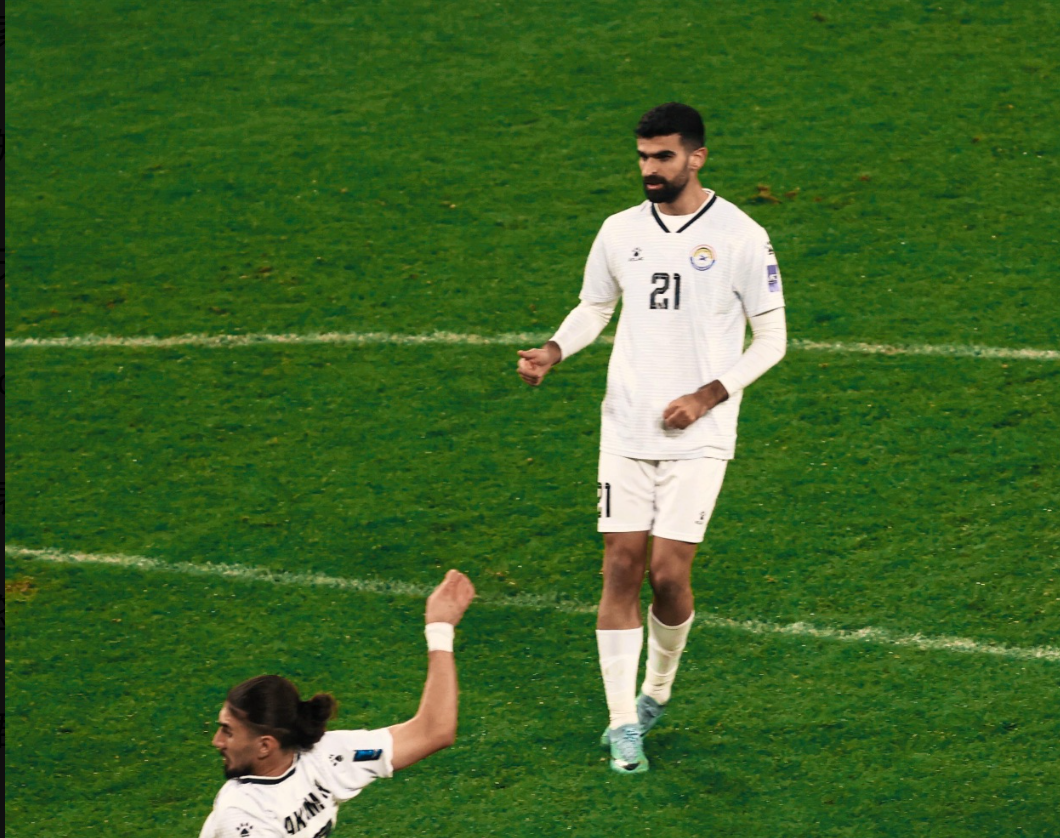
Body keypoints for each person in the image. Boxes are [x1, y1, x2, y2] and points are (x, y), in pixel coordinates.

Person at [517, 102, 788, 774]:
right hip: (627, 427)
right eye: (642, 157)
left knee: (669, 575)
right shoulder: (618, 231)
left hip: (700, 436)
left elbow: (774, 338)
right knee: (619, 566)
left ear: (696, 157)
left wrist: (707, 395)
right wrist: (555, 348)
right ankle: (620, 725)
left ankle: (658, 690)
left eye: (662, 157)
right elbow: (596, 305)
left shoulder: (741, 236)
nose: (649, 169)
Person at [199, 569, 476, 837]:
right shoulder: (242, 815)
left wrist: (440, 629)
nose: (217, 741)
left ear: (265, 745)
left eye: (228, 730)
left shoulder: (327, 758)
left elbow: (432, 732)